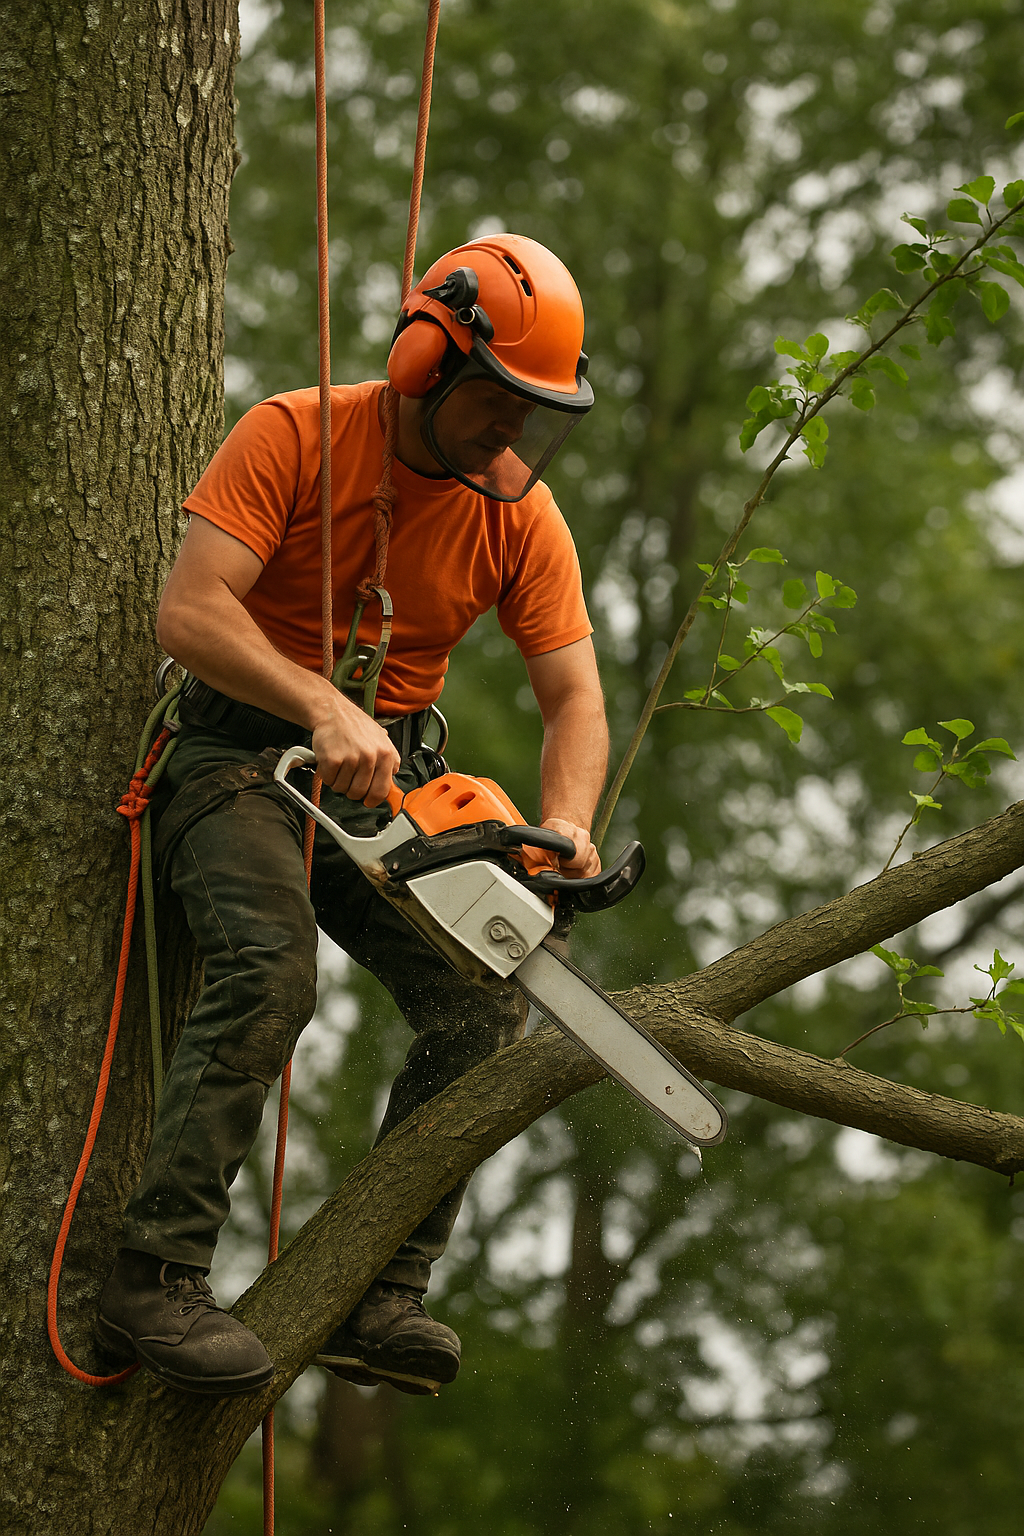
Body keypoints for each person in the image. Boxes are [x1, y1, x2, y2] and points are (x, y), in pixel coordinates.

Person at [96, 234, 609, 1397]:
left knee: (485, 996)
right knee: (271, 975)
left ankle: (379, 1288)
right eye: (497, 399)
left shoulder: (520, 513)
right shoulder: (293, 433)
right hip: (234, 756)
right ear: (428, 357)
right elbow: (190, 611)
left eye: (533, 412)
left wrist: (568, 823)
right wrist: (320, 703)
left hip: (380, 788)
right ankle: (154, 1278)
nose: (511, 430)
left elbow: (573, 696)